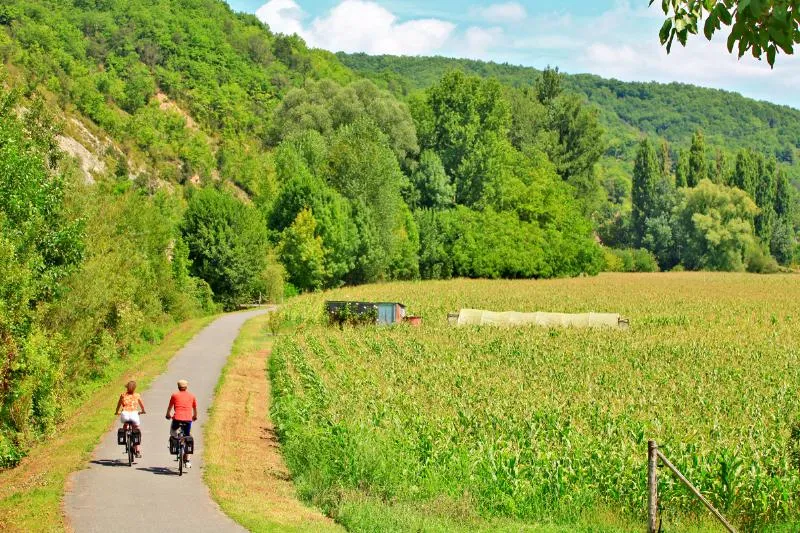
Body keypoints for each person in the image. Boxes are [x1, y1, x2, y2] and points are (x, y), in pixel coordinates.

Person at [165, 379, 197, 468]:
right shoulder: (191, 396)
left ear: (178, 387)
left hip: (177, 419)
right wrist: (194, 416)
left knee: (173, 433)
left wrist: (168, 414)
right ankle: (187, 460)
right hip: (188, 420)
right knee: (188, 436)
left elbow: (170, 407)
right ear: (186, 387)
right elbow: (194, 408)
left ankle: (176, 443)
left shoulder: (174, 395)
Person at [114, 381, 146, 457]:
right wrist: (143, 411)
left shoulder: (123, 395)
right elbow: (142, 405)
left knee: (125, 425)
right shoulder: (137, 395)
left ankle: (125, 438)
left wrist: (117, 412)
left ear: (127, 387)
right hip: (134, 415)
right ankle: (137, 450)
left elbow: (118, 405)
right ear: (134, 388)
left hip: (124, 414)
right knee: (136, 429)